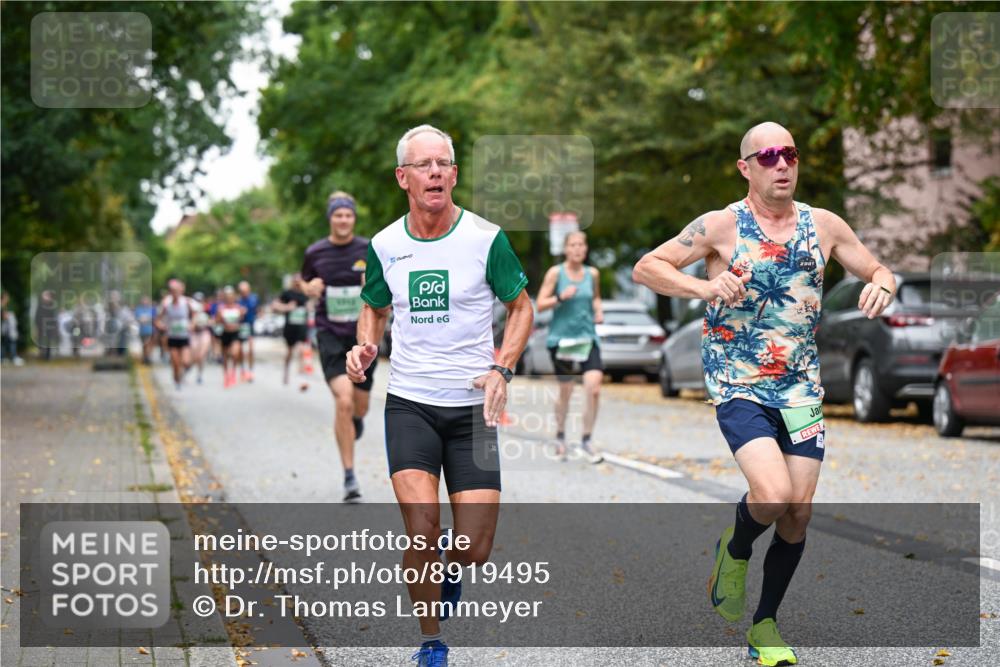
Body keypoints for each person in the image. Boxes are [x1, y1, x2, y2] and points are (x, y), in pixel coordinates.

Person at [633, 121, 896, 667]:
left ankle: (765, 624)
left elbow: (876, 268)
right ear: (745, 167)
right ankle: (734, 549)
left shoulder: (824, 225)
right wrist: (705, 286)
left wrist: (883, 284)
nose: (782, 164)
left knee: (797, 512)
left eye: (790, 154)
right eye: (769, 155)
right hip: (739, 382)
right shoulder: (720, 225)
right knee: (772, 494)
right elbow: (647, 267)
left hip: (800, 387)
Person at [347, 124, 532, 667]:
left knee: (474, 548)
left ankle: (450, 564)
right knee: (422, 529)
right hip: (410, 404)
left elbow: (521, 307)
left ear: (453, 174)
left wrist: (502, 368)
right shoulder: (385, 245)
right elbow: (374, 306)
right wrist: (365, 346)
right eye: (423, 165)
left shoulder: (485, 238)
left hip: (472, 408)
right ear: (402, 177)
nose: (434, 173)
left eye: (443, 164)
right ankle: (431, 641)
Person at [301, 191, 376, 503]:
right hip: (330, 334)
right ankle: (349, 477)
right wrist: (309, 287)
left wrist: (372, 287)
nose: (343, 220)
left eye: (348, 215)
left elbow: (383, 286)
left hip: (362, 336)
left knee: (360, 406)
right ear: (330, 218)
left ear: (353, 219)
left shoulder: (368, 249)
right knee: (343, 400)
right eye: (338, 215)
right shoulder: (315, 252)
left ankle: (355, 421)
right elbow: (303, 282)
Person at [536, 231, 605, 463]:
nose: (577, 249)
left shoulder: (592, 274)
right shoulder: (556, 273)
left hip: (587, 337)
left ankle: (587, 439)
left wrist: (598, 311)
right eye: (573, 245)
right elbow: (540, 304)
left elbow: (595, 297)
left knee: (594, 388)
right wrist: (560, 298)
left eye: (581, 244)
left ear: (586, 248)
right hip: (562, 339)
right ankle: (560, 436)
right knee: (566, 390)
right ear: (566, 249)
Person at [155, 279, 199, 390]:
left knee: (186, 361)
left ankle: (181, 374)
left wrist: (192, 324)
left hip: (184, 336)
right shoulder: (166, 303)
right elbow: (157, 319)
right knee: (175, 361)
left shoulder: (187, 302)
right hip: (172, 336)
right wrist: (161, 326)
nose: (174, 293)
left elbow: (195, 315)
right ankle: (176, 379)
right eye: (172, 290)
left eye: (176, 290)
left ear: (181, 291)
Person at [271, 273, 310, 386]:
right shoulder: (287, 293)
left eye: (300, 282)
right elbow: (274, 306)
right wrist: (287, 307)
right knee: (290, 352)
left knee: (302, 350)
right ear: (293, 282)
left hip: (302, 326)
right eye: (296, 282)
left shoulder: (306, 293)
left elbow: (314, 303)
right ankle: (286, 371)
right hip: (290, 327)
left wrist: (310, 307)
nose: (298, 284)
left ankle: (302, 378)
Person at [215, 286, 246, 388]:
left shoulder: (238, 307)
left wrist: (242, 316)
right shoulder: (221, 308)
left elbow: (241, 321)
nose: (229, 299)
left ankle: (233, 372)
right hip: (225, 333)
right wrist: (220, 318)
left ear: (234, 297)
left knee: (235, 353)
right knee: (225, 356)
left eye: (231, 297)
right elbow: (217, 321)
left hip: (235, 334)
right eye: (227, 297)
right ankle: (226, 375)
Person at [237, 280, 259, 382]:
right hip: (240, 326)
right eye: (241, 291)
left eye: (245, 291)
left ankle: (251, 371)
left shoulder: (254, 298)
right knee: (240, 350)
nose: (243, 293)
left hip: (250, 326)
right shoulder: (238, 301)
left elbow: (256, 310)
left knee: (251, 349)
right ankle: (242, 370)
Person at [189, 292, 212, 384]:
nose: (198, 302)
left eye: (200, 300)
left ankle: (199, 374)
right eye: (197, 300)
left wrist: (209, 322)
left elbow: (213, 319)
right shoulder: (190, 310)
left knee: (201, 355)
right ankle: (188, 368)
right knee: (194, 356)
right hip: (194, 334)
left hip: (204, 333)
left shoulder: (207, 309)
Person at [1, 291, 24, 366]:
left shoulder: (4, 306)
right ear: (3, 297)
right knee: (11, 342)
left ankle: (3, 358)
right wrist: (9, 315)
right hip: (5, 328)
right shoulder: (1, 306)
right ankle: (13, 357)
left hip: (6, 328)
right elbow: (4, 317)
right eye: (7, 297)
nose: (8, 299)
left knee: (4, 343)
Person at [134, 295, 157, 364]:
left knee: (148, 344)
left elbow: (154, 318)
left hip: (151, 330)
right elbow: (138, 319)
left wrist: (145, 319)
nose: (145, 302)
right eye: (143, 300)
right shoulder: (138, 309)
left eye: (146, 300)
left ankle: (147, 357)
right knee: (144, 345)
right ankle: (145, 357)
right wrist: (147, 319)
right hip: (142, 330)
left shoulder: (152, 309)